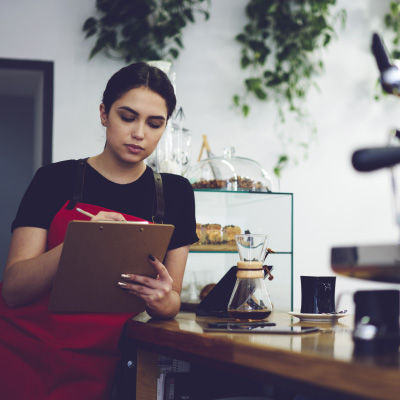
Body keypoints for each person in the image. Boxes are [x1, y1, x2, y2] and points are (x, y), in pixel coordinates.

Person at [0, 62, 198, 400]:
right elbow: (13, 290)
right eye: (127, 116)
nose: (140, 133)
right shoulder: (53, 179)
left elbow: (170, 302)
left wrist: (163, 300)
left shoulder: (176, 193)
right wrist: (80, 243)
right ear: (104, 114)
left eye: (154, 124)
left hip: (104, 361)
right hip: (25, 353)